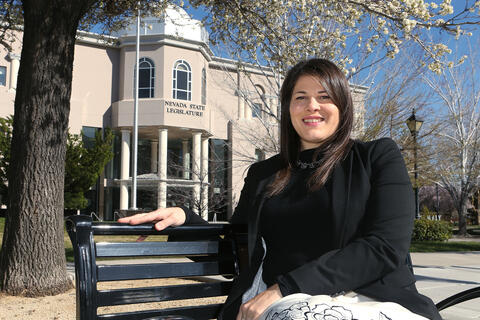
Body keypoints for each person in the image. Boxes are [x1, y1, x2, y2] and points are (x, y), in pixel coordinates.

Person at [118, 58, 442, 320]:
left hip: (372, 301)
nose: (312, 106)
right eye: (300, 98)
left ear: (343, 105)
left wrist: (283, 289)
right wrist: (183, 220)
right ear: (288, 109)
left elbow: (384, 248)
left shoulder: (376, 157)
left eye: (324, 96)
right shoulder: (264, 174)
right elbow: (237, 253)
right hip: (288, 308)